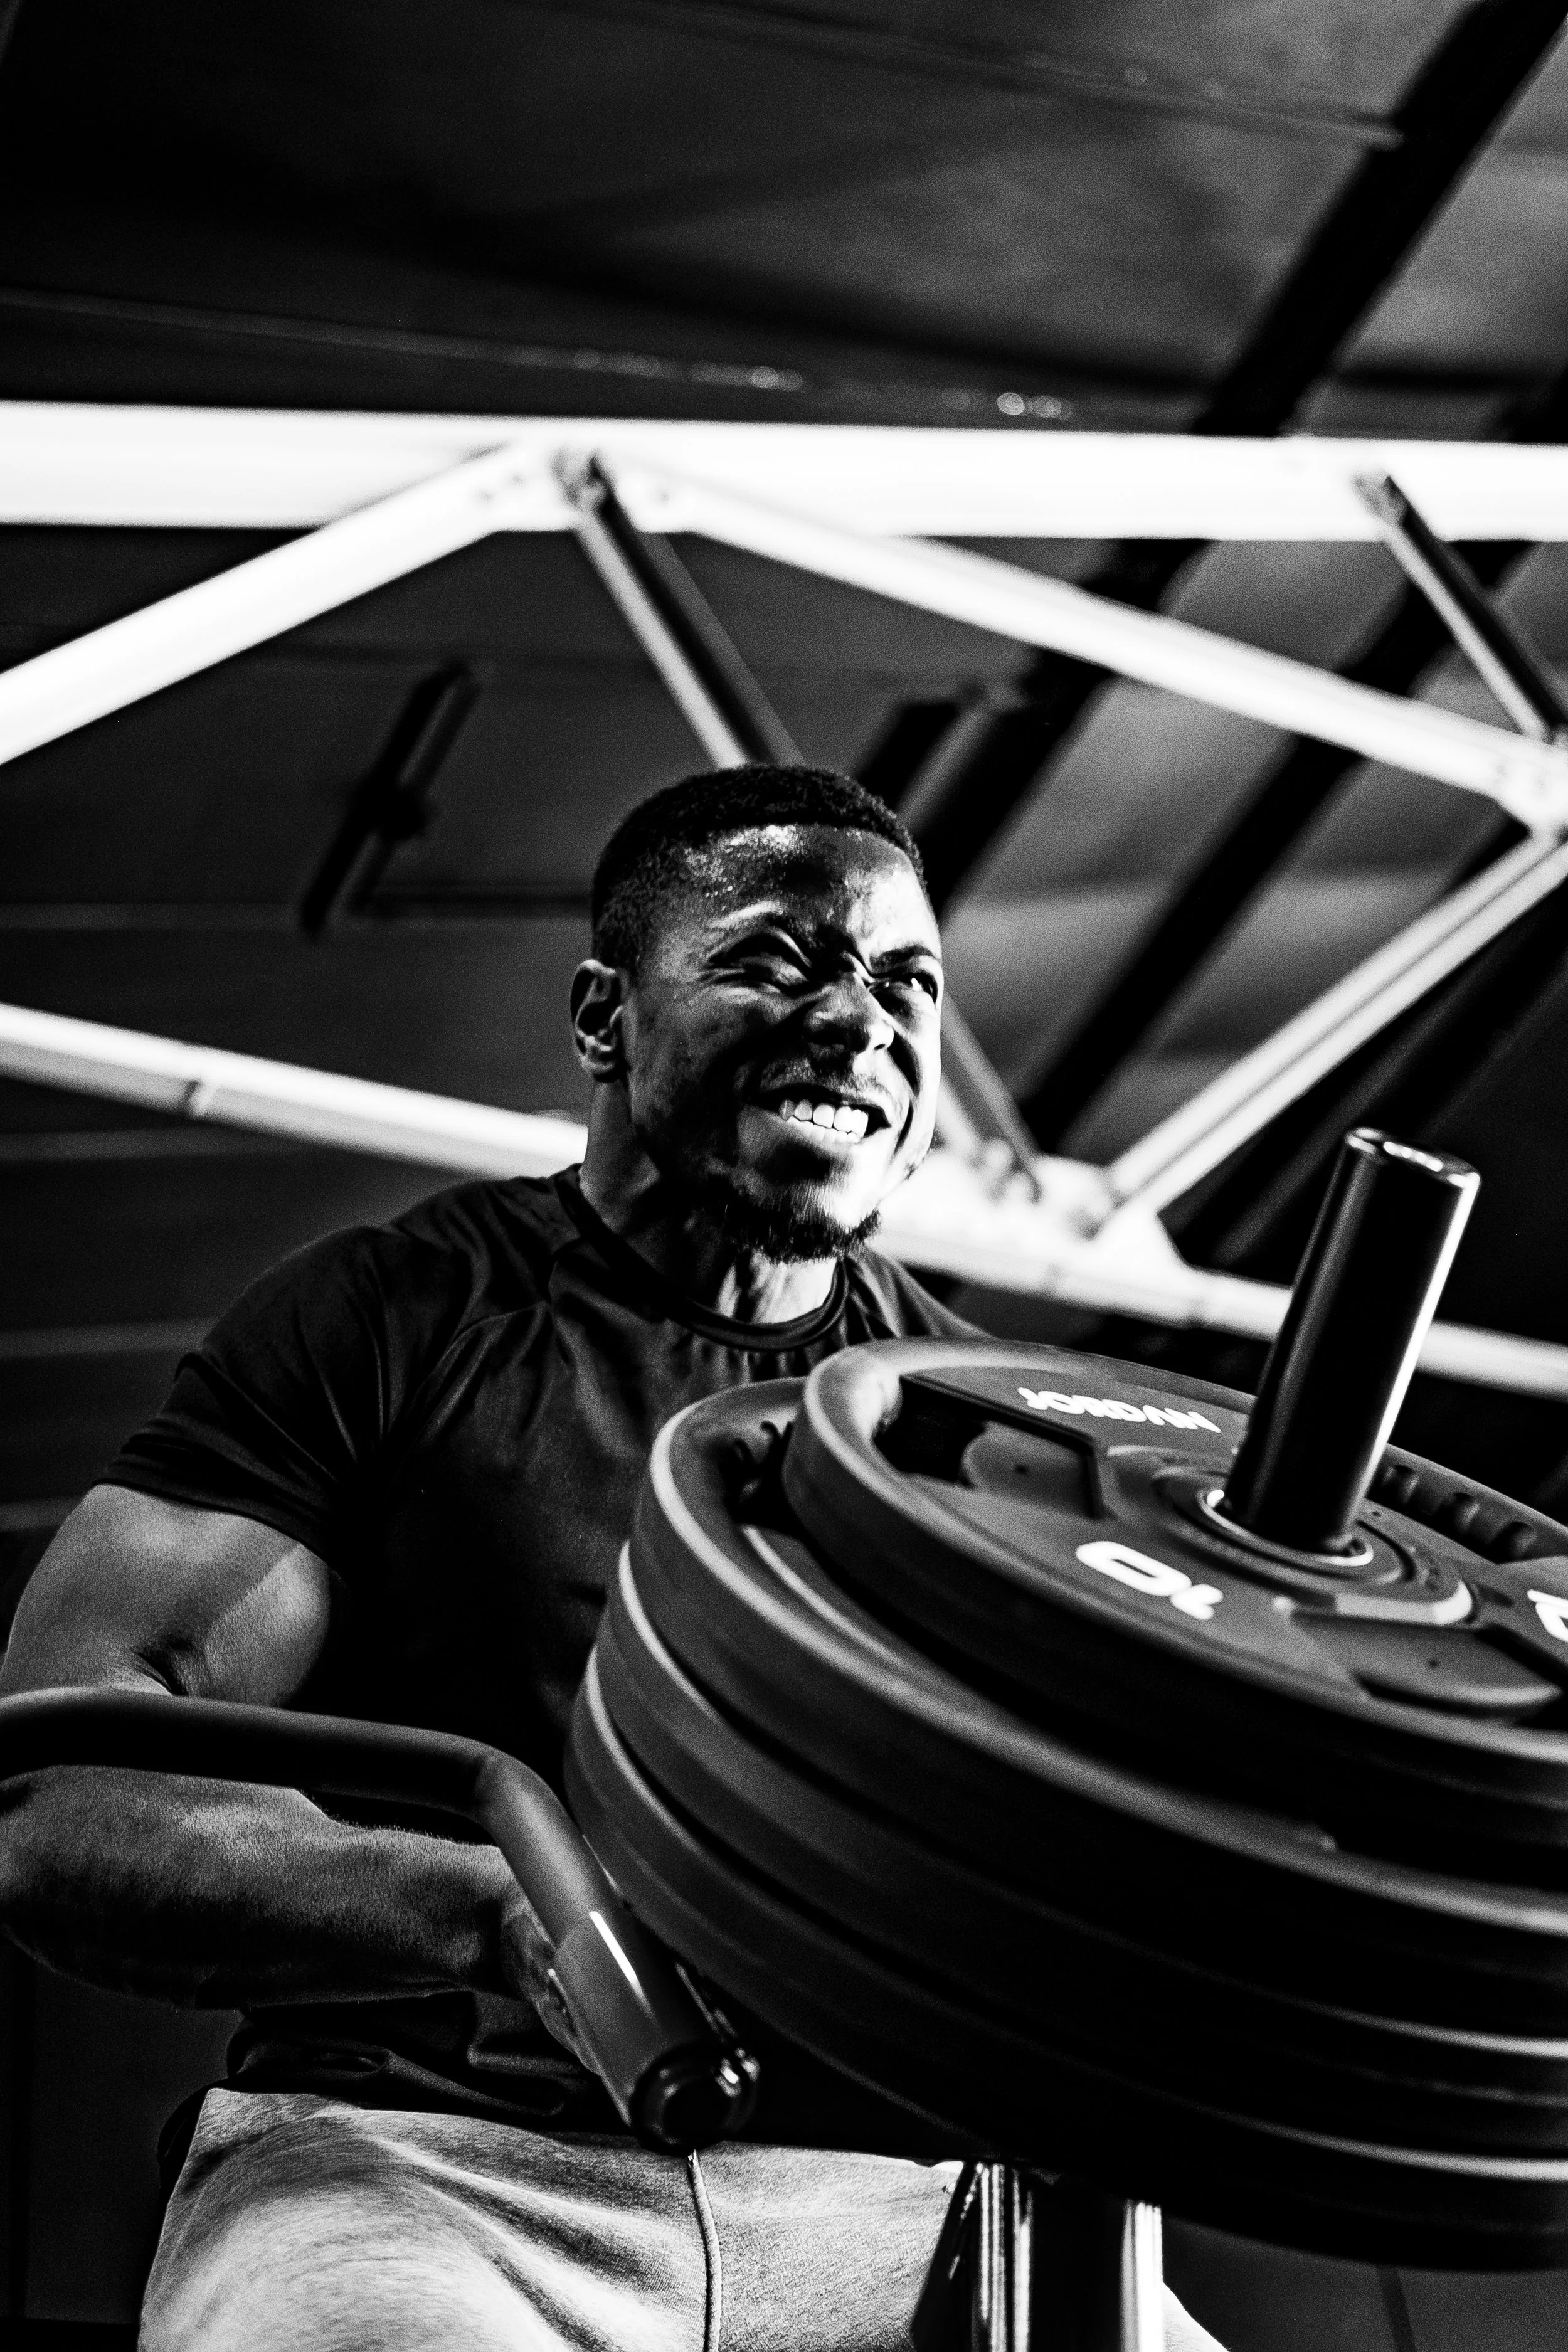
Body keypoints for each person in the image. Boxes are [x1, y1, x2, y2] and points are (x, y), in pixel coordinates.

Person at [0, 764, 1223, 2351]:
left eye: (905, 986)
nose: (857, 1023)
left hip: (888, 2208)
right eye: (775, 961)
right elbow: (63, 1787)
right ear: (603, 1018)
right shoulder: (393, 1318)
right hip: (431, 2176)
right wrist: (501, 1914)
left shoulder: (984, 1438)